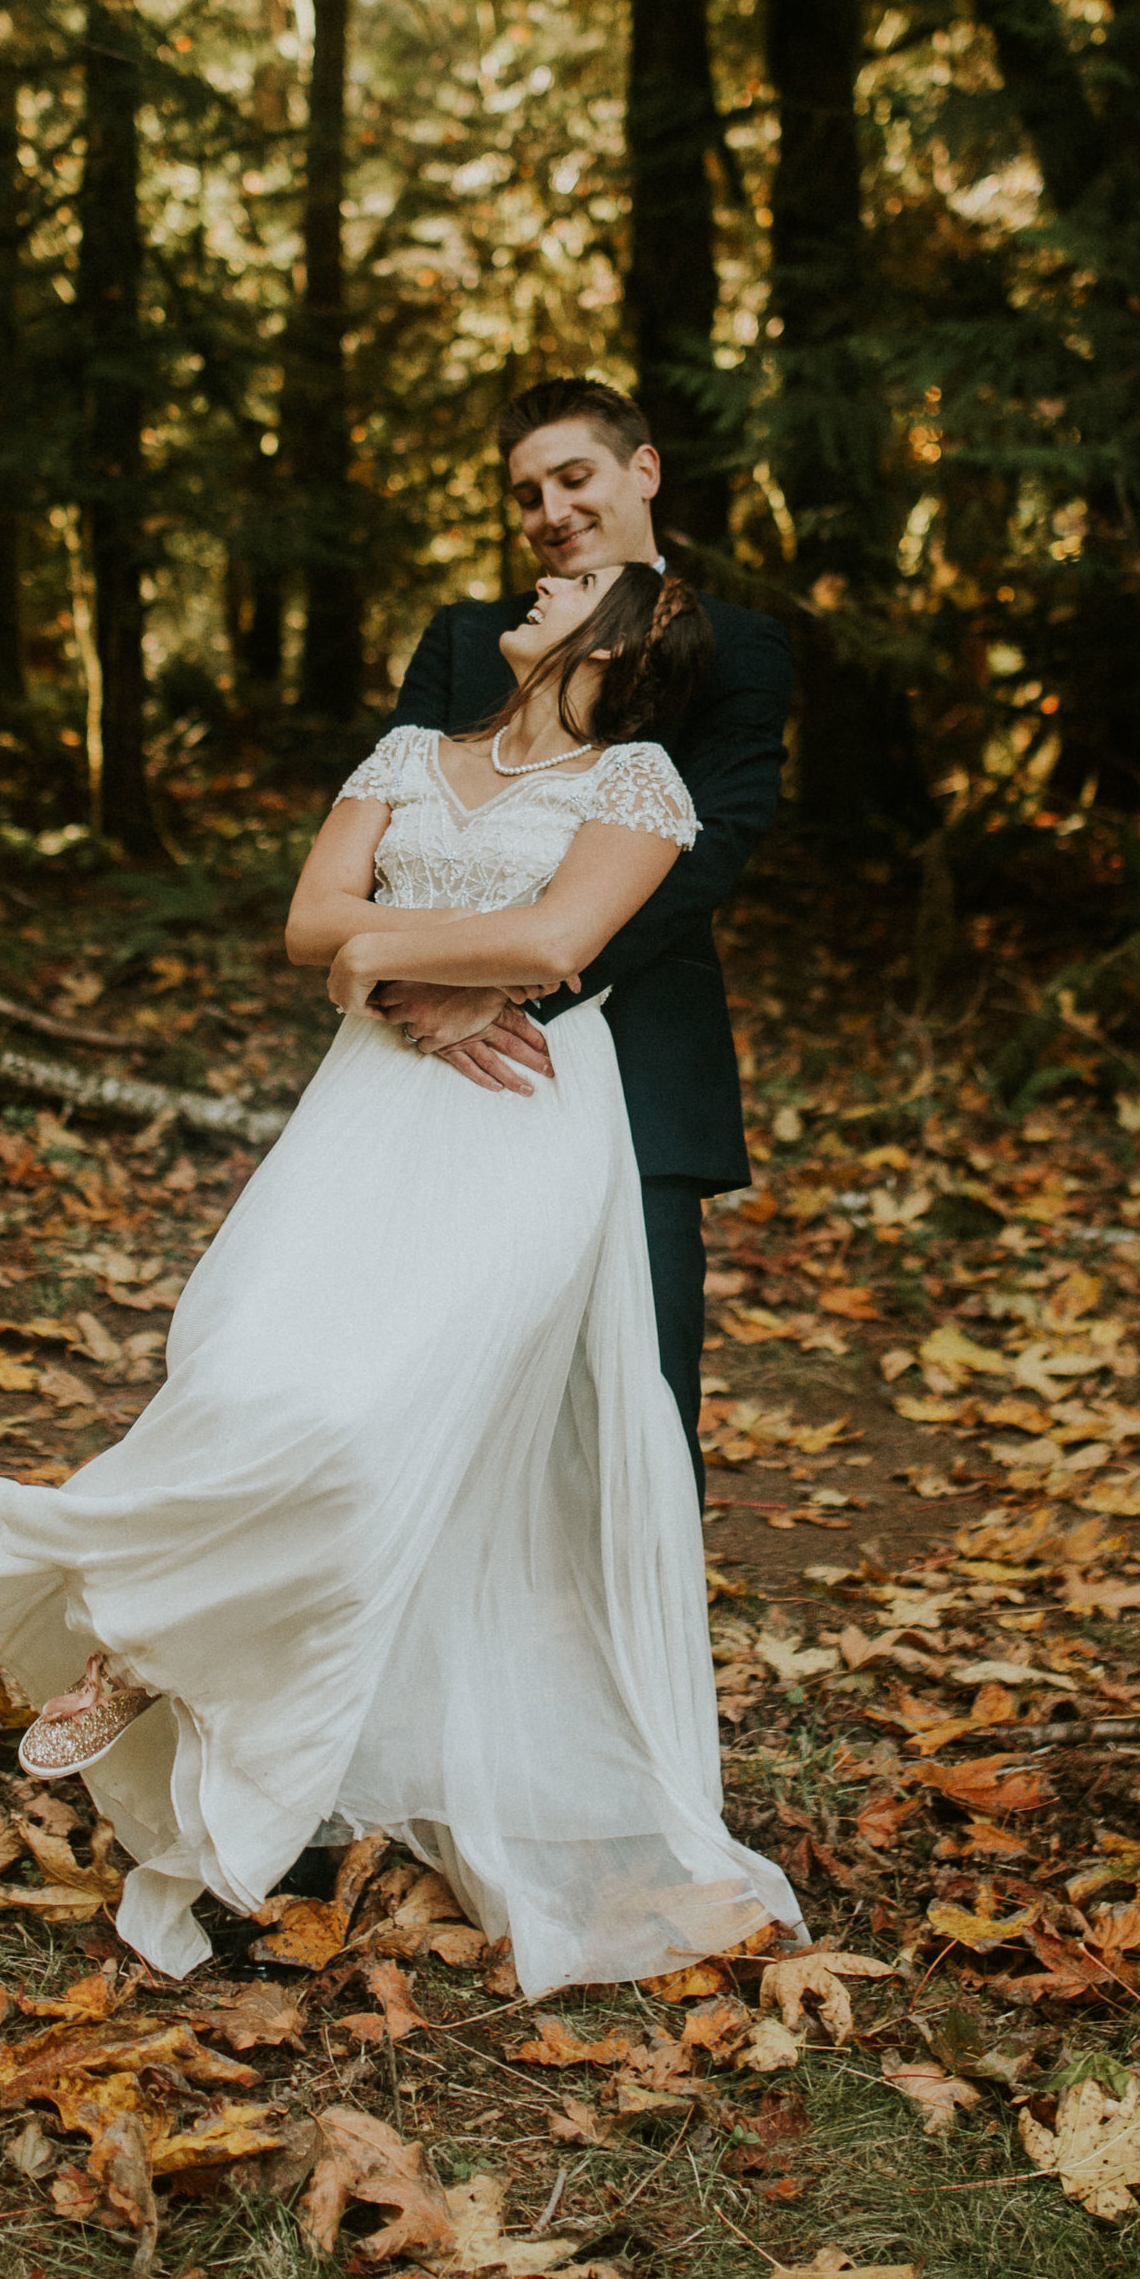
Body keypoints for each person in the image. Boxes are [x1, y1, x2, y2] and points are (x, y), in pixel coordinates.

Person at [0, 552, 800, 1995]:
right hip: (365, 1110)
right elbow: (305, 918)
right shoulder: (411, 751)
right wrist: (397, 983)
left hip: (524, 1124)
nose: (538, 571)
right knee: (247, 1361)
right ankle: (194, 1637)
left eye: (575, 577)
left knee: (372, 1419)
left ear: (628, 638)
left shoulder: (641, 782)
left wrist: (387, 957)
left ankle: (156, 1643)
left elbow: (556, 938)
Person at [370, 378, 793, 1494]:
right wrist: (398, 987)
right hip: (437, 1067)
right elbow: (377, 825)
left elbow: (714, 846)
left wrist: (522, 987)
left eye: (574, 478)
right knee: (412, 1392)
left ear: (642, 472)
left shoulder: (737, 648)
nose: (549, 511)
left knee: (633, 1414)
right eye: (526, 494)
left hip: (636, 1063)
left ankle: (630, 1666)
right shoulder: (468, 641)